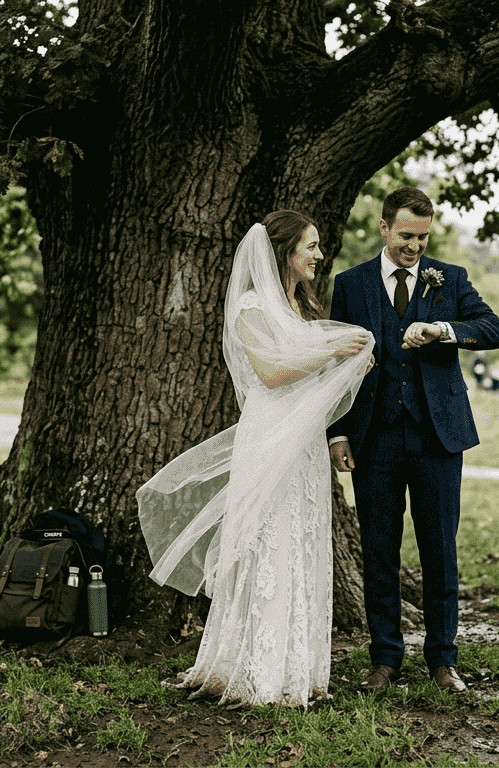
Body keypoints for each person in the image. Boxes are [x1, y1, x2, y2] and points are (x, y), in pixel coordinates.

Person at [137, 211, 374, 709]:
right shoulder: (250, 305)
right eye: (309, 246)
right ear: (283, 251)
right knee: (269, 543)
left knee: (301, 540)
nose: (317, 254)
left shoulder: (300, 306)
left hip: (304, 442)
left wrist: (352, 359)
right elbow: (269, 372)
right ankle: (250, 667)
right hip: (269, 435)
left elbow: (311, 380)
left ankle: (297, 667)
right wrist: (334, 352)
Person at [328, 186, 499, 695]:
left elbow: (492, 329)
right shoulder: (351, 284)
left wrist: (442, 330)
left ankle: (443, 660)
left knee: (439, 549)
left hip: (437, 439)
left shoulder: (450, 279)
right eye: (406, 235)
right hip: (373, 438)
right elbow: (336, 366)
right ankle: (384, 657)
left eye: (423, 237)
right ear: (385, 228)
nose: (415, 246)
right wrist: (337, 431)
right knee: (378, 549)